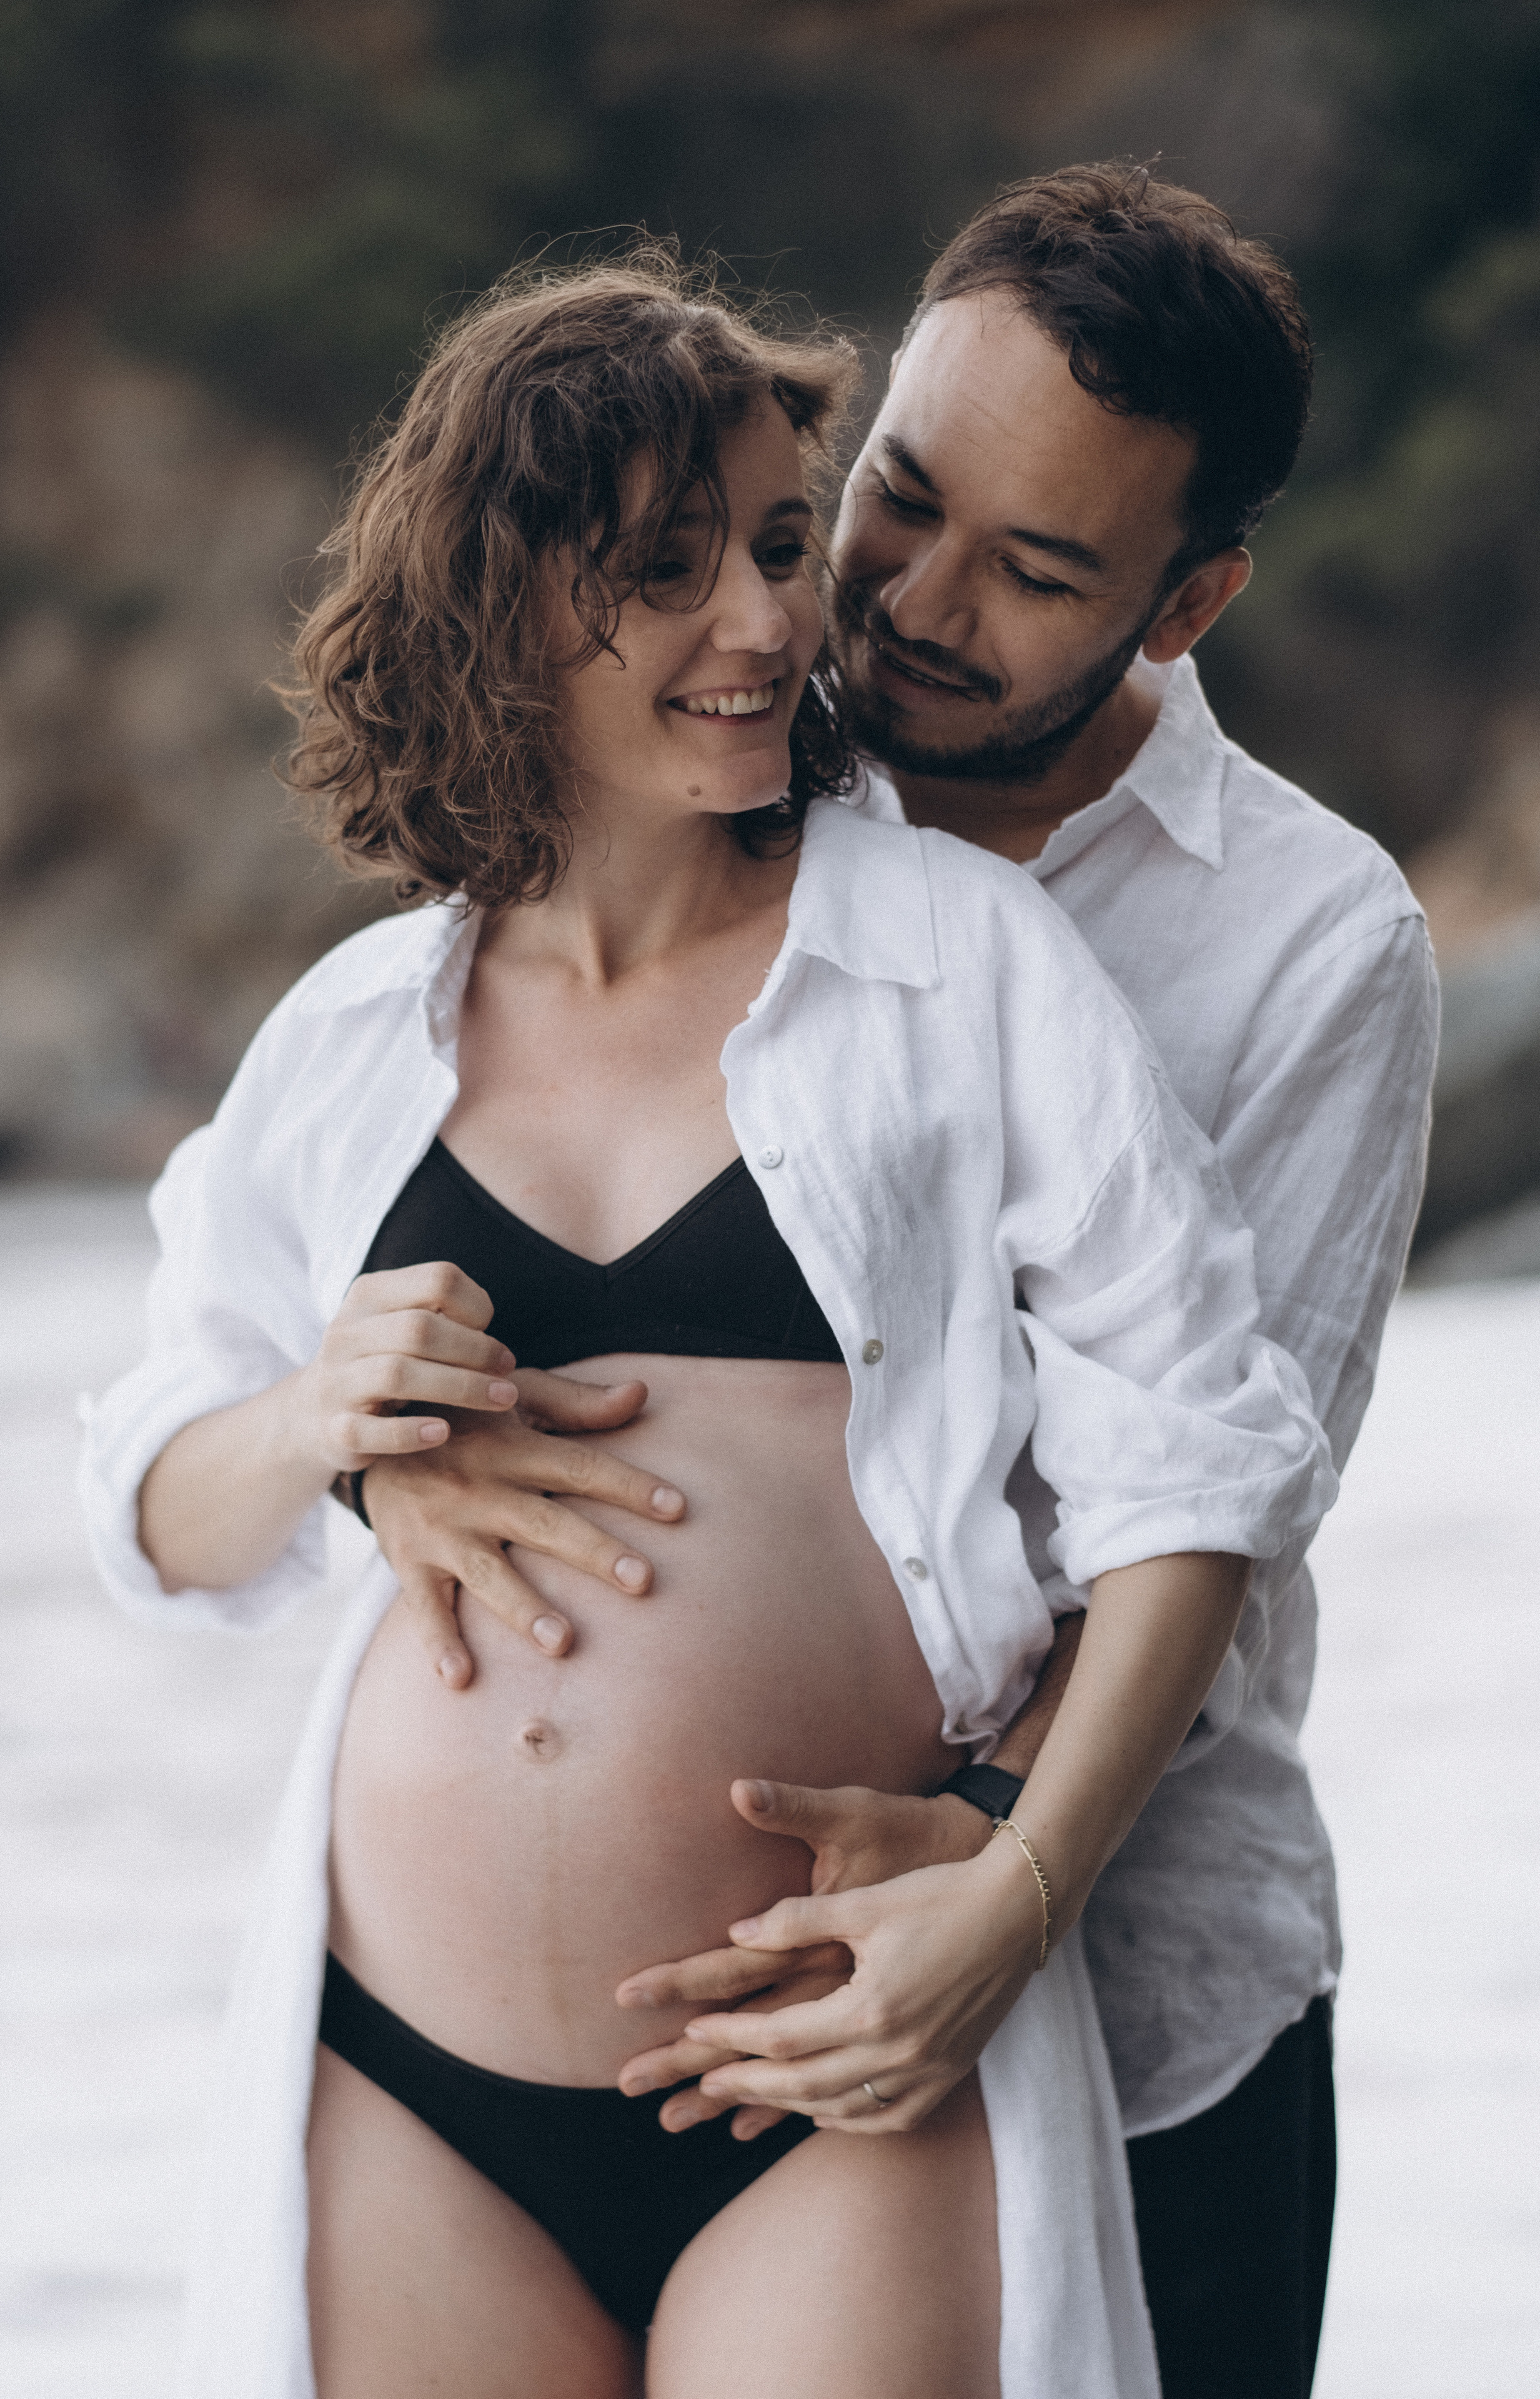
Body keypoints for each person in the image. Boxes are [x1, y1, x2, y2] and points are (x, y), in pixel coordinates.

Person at [79, 254, 1336, 2399]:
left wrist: (1016, 1893)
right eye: (669, 570)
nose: (771, 623)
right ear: (502, 601)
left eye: (776, 543)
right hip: (413, 2089)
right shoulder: (360, 1034)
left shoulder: (968, 965)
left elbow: (1198, 1485)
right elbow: (157, 1508)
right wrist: (317, 1421)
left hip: (826, 2072)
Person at [359, 173, 1439, 2399]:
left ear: (1188, 596)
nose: (910, 608)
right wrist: (365, 1454)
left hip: (1138, 2014)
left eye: (1038, 573)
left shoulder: (1311, 944)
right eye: (897, 503)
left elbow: (1225, 1491)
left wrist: (996, 1874)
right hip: (552, 2100)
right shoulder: (695, 769)